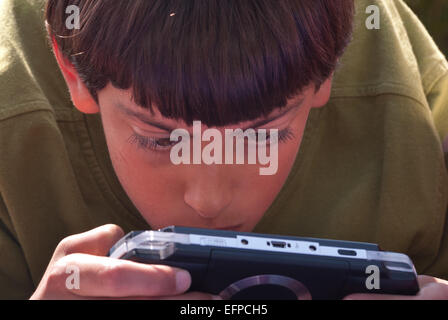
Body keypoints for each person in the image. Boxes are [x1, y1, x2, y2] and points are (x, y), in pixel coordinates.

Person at [0, 0, 447, 300]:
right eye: (162, 138)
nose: (209, 200)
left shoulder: (423, 118)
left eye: (260, 134)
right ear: (72, 71)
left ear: (327, 73)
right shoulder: (10, 114)